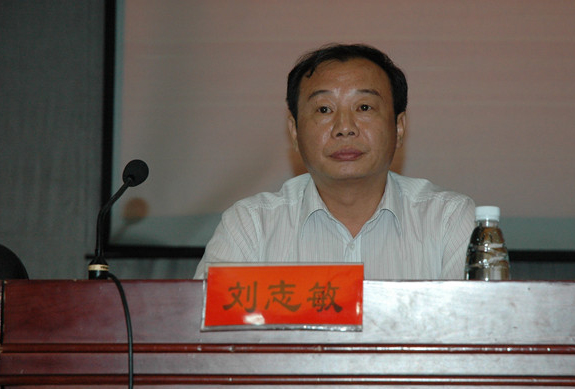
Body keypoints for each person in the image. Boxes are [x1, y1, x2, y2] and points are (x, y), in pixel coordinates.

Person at [194, 44, 475, 280]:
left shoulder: (449, 220)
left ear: (398, 127)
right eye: (324, 109)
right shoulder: (251, 225)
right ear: (294, 131)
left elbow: (475, 325)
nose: (344, 128)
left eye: (364, 107)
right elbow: (199, 324)